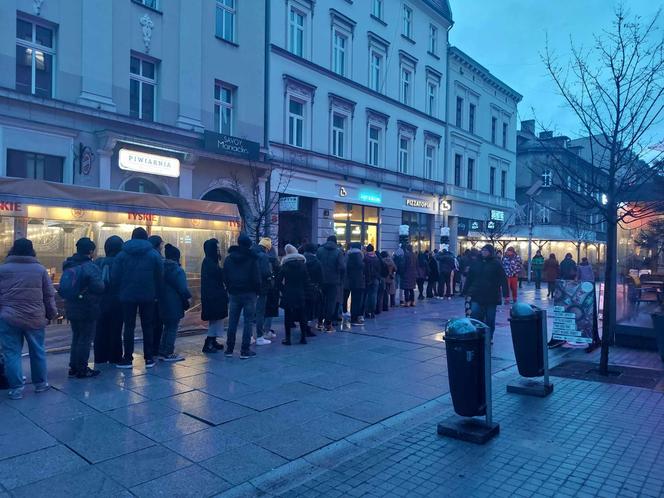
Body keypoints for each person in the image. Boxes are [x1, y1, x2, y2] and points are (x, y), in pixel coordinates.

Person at [0, 239, 57, 399]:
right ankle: (40, 384)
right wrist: (52, 314)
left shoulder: (2, 269)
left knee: (11, 353)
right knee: (37, 350)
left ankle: (16, 389)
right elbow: (49, 294)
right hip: (35, 317)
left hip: (9, 317)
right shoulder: (39, 270)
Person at [112, 227, 164, 369]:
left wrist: (120, 291)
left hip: (127, 296)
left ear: (132, 237)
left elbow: (115, 276)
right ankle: (148, 358)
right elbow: (160, 276)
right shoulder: (154, 254)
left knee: (128, 326)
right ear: (146, 237)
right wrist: (157, 294)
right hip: (148, 295)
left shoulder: (122, 254)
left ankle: (127, 358)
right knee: (148, 326)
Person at [62, 237, 105, 378]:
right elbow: (99, 286)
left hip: (71, 306)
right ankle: (82, 368)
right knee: (85, 338)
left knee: (76, 336)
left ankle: (73, 367)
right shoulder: (90, 266)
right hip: (87, 307)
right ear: (91, 251)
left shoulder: (68, 264)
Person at [223, 234, 261, 359]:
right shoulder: (252, 259)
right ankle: (245, 350)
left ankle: (229, 348)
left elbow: (225, 276)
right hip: (249, 293)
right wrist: (257, 291)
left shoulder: (229, 259)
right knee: (248, 322)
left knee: (232, 322)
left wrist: (230, 288)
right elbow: (256, 278)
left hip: (234, 293)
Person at [464, 244, 509, 340]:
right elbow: (470, 277)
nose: (484, 252)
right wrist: (466, 290)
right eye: (483, 250)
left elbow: (503, 279)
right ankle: (477, 335)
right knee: (475, 315)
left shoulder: (496, 263)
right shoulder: (476, 262)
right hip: (476, 294)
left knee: (490, 319)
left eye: (486, 251)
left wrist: (506, 294)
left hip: (491, 295)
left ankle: (489, 336)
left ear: (490, 252)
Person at [158, 244, 191, 362]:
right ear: (177, 257)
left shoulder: (160, 268)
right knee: (172, 328)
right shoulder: (178, 270)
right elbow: (183, 289)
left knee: (166, 327)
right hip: (174, 303)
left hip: (162, 302)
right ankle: (168, 352)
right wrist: (189, 297)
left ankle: (162, 350)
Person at [94, 235, 124, 365]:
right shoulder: (121, 262)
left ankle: (100, 356)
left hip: (99, 302)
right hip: (117, 301)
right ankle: (115, 356)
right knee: (116, 330)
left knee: (100, 330)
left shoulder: (97, 263)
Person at [277, 244, 310, 345]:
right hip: (300, 292)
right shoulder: (302, 265)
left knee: (288, 316)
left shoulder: (285, 265)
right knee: (302, 315)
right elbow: (307, 281)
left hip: (289, 293)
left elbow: (278, 281)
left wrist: (283, 290)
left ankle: (288, 339)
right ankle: (303, 338)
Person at [201, 238, 228, 353]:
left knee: (217, 319)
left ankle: (213, 340)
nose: (218, 250)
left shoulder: (210, 261)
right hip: (213, 296)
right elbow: (218, 274)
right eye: (216, 248)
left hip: (215, 295)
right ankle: (208, 342)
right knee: (215, 319)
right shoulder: (208, 262)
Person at [316, 235, 345, 332]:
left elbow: (317, 263)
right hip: (333, 281)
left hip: (320, 280)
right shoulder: (338, 252)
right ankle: (328, 324)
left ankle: (319, 322)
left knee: (320, 301)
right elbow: (342, 267)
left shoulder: (319, 250)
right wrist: (340, 278)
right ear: (336, 242)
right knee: (331, 302)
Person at [253, 237, 274, 346]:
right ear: (267, 248)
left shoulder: (252, 253)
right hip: (262, 288)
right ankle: (260, 336)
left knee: (251, 313)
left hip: (251, 288)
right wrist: (271, 277)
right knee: (260, 312)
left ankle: (250, 336)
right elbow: (266, 273)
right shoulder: (264, 257)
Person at [148, 235, 165, 358]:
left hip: (145, 294)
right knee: (157, 323)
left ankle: (150, 349)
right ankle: (155, 348)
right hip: (155, 295)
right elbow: (160, 277)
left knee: (149, 323)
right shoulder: (157, 257)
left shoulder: (146, 256)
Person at [302, 243, 323, 334]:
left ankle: (303, 325)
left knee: (303, 307)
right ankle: (308, 327)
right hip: (313, 288)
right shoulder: (317, 262)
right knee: (311, 308)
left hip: (302, 287)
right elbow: (321, 277)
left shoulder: (301, 260)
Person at [346, 242, 365, 325]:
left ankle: (353, 317)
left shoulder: (348, 255)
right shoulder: (357, 255)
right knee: (357, 300)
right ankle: (354, 318)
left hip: (351, 280)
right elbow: (360, 266)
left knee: (354, 299)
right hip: (358, 281)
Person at [263, 245, 281, 338]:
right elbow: (279, 277)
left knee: (262, 310)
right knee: (270, 310)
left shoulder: (261, 260)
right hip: (273, 289)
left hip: (263, 289)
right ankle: (266, 330)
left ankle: (261, 330)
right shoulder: (275, 262)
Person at [363, 244, 382, 319]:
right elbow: (379, 269)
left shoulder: (365, 258)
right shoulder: (376, 258)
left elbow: (364, 269)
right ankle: (373, 312)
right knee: (374, 295)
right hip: (376, 279)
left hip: (367, 279)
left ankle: (367, 311)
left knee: (367, 295)